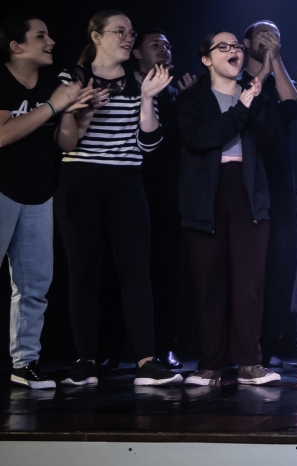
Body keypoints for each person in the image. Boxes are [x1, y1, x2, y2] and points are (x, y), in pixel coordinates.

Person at [54, 10, 181, 387]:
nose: (128, 38)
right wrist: (82, 110)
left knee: (136, 271)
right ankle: (85, 361)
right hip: (80, 179)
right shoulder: (74, 78)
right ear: (96, 37)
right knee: (83, 271)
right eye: (119, 32)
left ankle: (146, 361)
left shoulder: (141, 80)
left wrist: (147, 98)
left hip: (125, 180)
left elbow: (150, 144)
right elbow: (65, 143)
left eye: (130, 33)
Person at [177, 31, 280, 386]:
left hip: (247, 191)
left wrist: (254, 101)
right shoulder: (192, 98)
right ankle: (210, 364)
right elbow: (200, 138)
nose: (233, 50)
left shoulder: (254, 93)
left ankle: (250, 362)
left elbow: (272, 141)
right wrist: (242, 108)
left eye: (237, 46)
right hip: (206, 194)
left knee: (249, 283)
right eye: (223, 47)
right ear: (206, 59)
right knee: (209, 282)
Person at [0, 15, 93, 388]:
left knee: (34, 285)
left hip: (39, 195)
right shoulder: (3, 80)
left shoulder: (53, 85)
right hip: (3, 191)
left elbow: (66, 143)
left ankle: (25, 363)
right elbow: (2, 134)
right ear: (16, 46)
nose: (51, 41)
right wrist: (54, 106)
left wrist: (73, 111)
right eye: (40, 36)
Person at [131, 28, 195, 368]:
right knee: (124, 270)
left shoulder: (177, 93)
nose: (163, 49)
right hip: (128, 187)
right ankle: (112, 347)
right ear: (137, 52)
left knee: (166, 271)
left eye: (168, 45)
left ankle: (165, 344)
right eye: (155, 44)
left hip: (167, 193)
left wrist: (187, 100)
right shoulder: (125, 87)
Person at [242, 20, 297, 368]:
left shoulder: (282, 81)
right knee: (245, 269)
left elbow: (294, 108)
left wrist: (275, 61)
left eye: (275, 36)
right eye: (262, 35)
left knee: (276, 268)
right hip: (243, 184)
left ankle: (269, 343)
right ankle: (241, 344)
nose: (269, 40)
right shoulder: (235, 80)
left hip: (278, 186)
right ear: (246, 41)